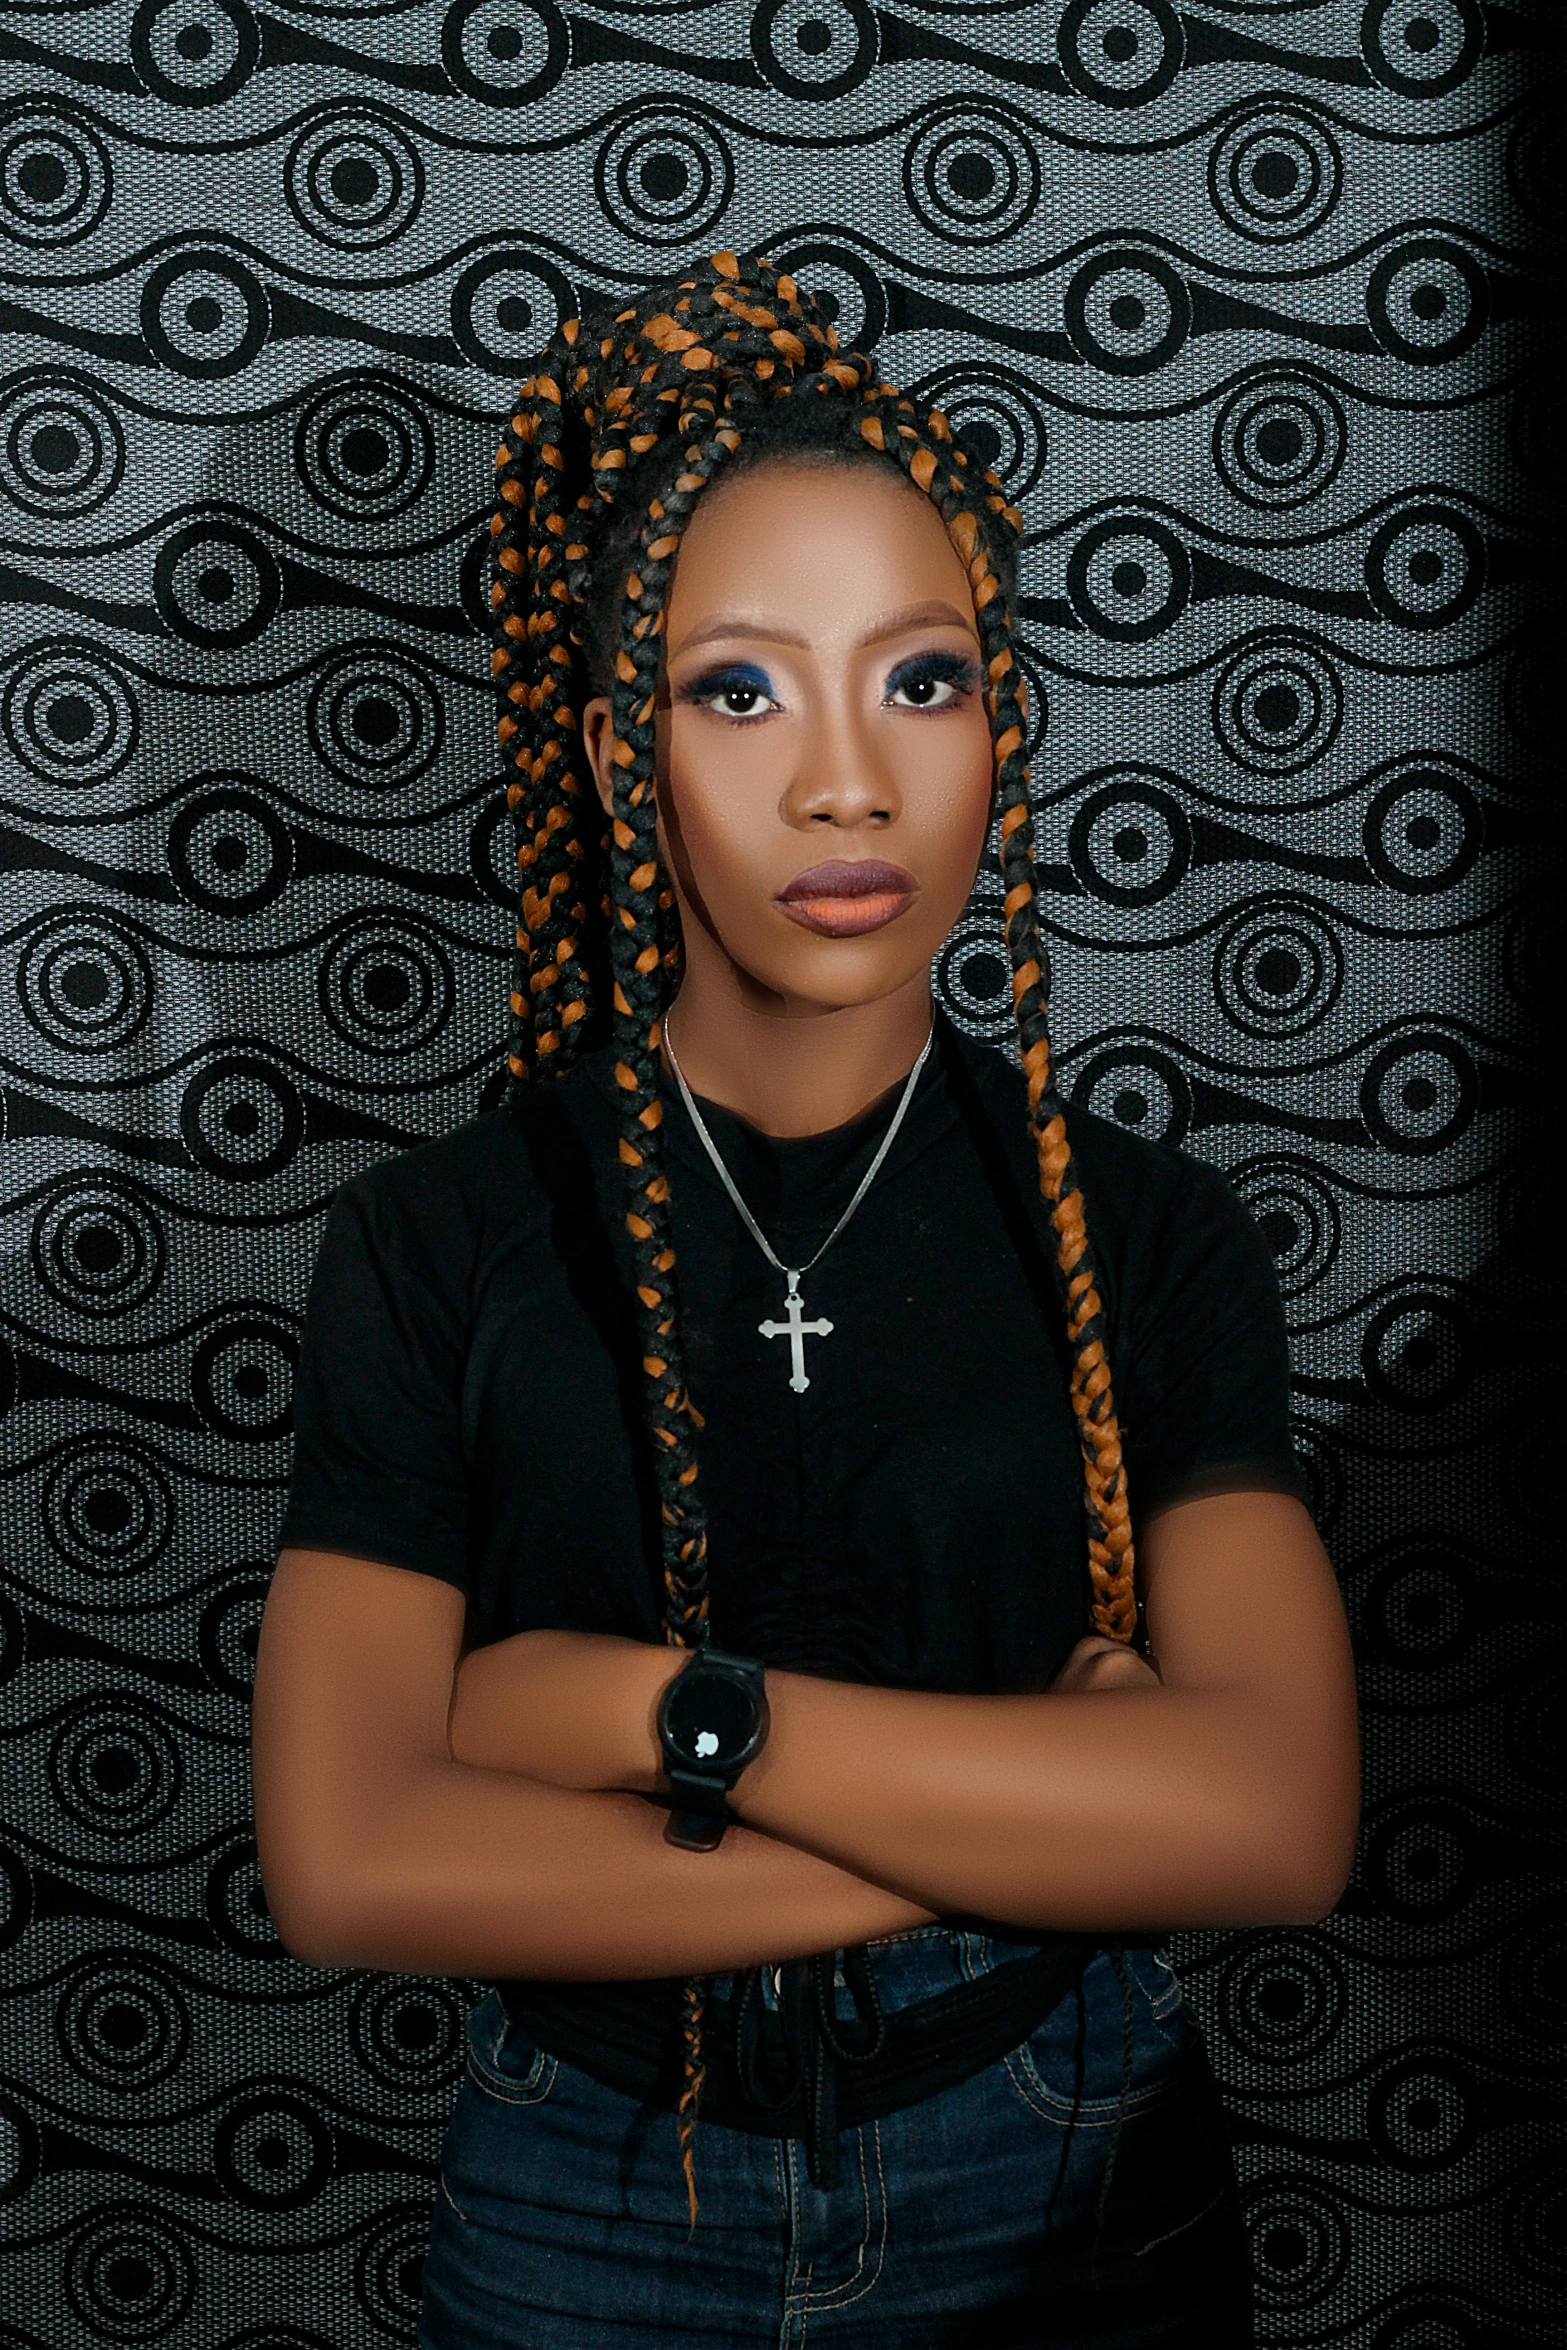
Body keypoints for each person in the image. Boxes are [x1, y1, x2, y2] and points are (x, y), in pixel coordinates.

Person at [251, 250, 1360, 2349]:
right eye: (740, 688)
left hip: (1065, 2161)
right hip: (587, 2184)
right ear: (610, 746)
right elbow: (348, 1851)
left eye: (920, 679)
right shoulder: (437, 1239)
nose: (847, 780)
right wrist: (1031, 1816)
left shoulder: (1148, 1234)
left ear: (994, 721)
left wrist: (653, 1711)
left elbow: (1278, 1808)